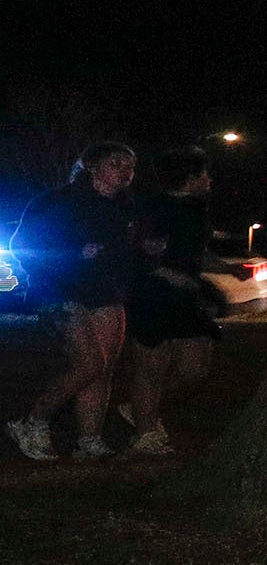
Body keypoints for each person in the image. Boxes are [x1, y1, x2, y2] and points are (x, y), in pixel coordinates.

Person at [9, 142, 139, 462]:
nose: (125, 171)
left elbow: (128, 251)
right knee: (89, 363)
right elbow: (23, 243)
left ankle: (89, 440)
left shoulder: (125, 207)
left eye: (130, 166)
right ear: (93, 167)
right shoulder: (57, 201)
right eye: (116, 164)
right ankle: (32, 422)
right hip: (57, 289)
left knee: (104, 369)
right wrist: (73, 255)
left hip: (104, 290)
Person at [118, 149, 222, 456]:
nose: (209, 179)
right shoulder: (151, 208)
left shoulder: (196, 209)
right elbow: (137, 253)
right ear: (190, 178)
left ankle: (139, 409)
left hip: (187, 299)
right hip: (151, 296)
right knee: (151, 367)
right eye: (204, 173)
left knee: (195, 369)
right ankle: (146, 434)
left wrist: (227, 268)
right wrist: (167, 274)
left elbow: (194, 252)